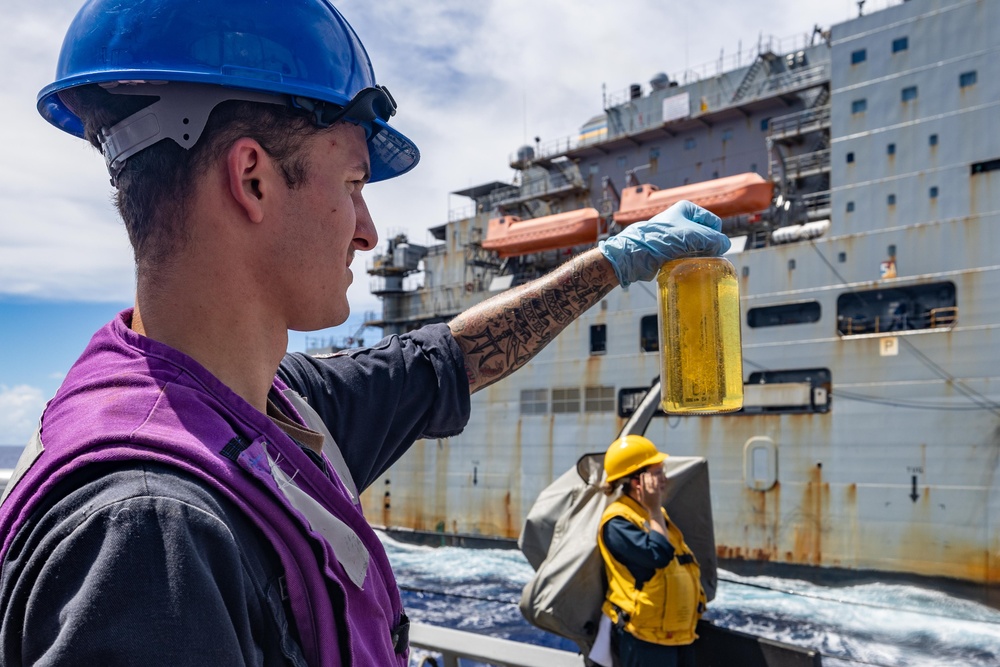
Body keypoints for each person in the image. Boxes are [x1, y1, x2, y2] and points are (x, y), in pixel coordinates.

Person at [0, 0, 730, 664]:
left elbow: (448, 357)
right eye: (352, 184)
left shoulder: (272, 406)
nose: (370, 231)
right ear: (251, 179)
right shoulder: (149, 542)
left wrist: (612, 262)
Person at [596, 435, 707, 667]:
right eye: (658, 474)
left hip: (676, 633)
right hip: (644, 637)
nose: (664, 479)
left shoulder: (650, 514)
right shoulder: (618, 522)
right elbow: (658, 555)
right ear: (639, 481)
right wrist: (655, 510)